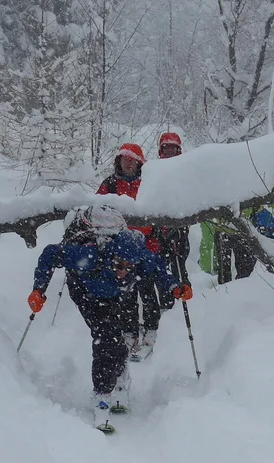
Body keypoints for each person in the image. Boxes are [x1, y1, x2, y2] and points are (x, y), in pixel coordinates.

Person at [27, 205, 192, 433]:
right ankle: (102, 396)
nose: (123, 270)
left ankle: (121, 370)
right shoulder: (88, 254)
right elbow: (49, 254)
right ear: (111, 252)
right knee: (105, 338)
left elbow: (158, 269)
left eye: (129, 267)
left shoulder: (138, 257)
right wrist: (39, 289)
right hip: (85, 291)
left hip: (115, 294)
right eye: (119, 264)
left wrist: (174, 286)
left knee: (114, 336)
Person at [96, 142, 164, 360]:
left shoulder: (149, 184)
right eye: (124, 158)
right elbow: (97, 211)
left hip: (146, 244)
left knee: (147, 287)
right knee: (126, 291)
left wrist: (156, 238)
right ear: (119, 161)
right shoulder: (110, 184)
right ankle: (130, 331)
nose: (127, 162)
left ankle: (151, 327)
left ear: (139, 162)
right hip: (121, 248)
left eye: (132, 159)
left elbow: (161, 212)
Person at [199, 202, 274, 283]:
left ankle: (238, 302)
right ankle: (227, 301)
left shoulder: (248, 182)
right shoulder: (234, 183)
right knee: (226, 274)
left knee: (242, 274)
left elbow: (269, 201)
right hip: (228, 232)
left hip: (242, 231)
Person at [152, 132, 191, 309]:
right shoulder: (153, 169)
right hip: (157, 227)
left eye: (172, 148)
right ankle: (166, 298)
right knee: (160, 262)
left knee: (179, 259)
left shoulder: (185, 170)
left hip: (180, 225)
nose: (169, 152)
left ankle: (183, 291)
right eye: (166, 148)